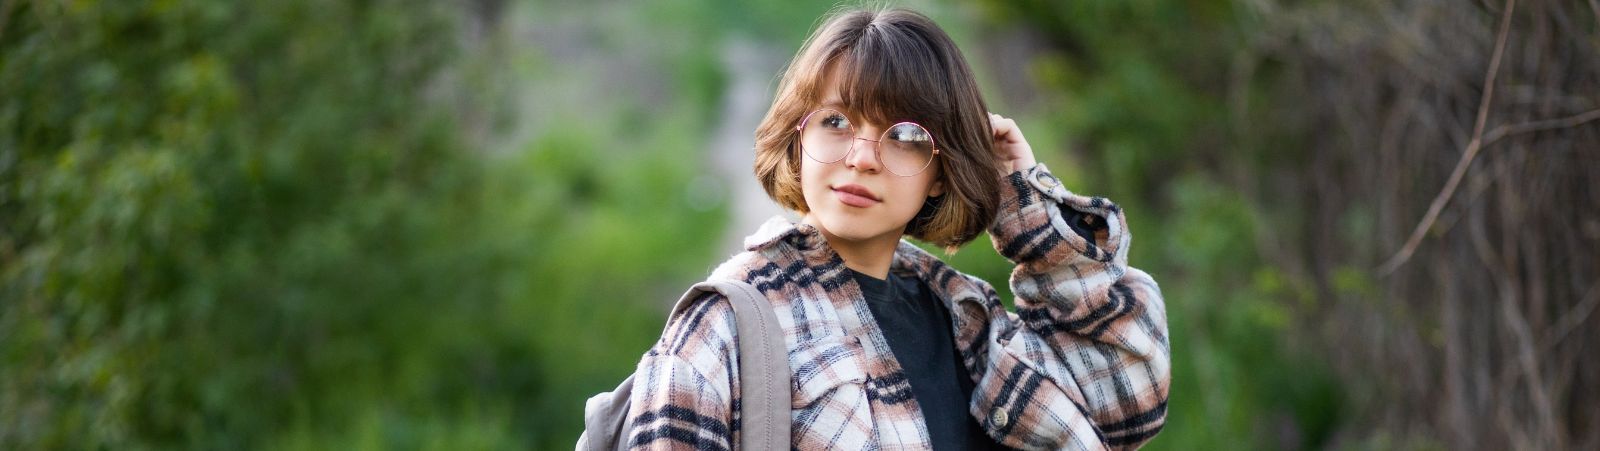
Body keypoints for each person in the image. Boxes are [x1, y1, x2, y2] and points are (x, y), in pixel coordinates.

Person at [620, 6, 1169, 450]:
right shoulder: (726, 324)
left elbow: (1126, 404)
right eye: (836, 121)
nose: (861, 157)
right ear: (798, 136)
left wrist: (1026, 206)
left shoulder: (963, 317)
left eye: (905, 136)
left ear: (940, 173)